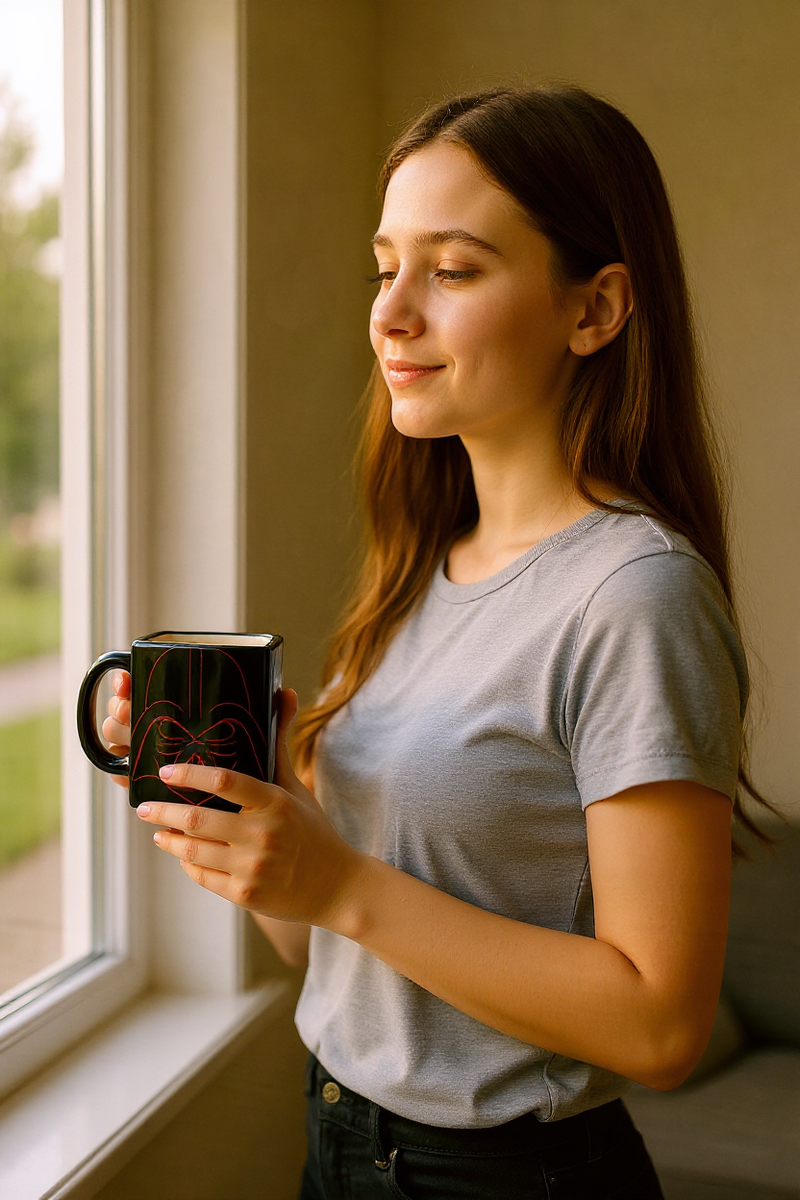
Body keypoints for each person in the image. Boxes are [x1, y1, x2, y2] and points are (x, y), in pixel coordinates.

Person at [103, 85, 775, 1199]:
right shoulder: (419, 565)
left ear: (594, 307)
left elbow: (658, 1024)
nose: (391, 313)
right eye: (384, 268)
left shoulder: (633, 597)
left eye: (451, 271)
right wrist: (254, 809)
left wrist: (341, 883)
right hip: (340, 1141)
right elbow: (323, 950)